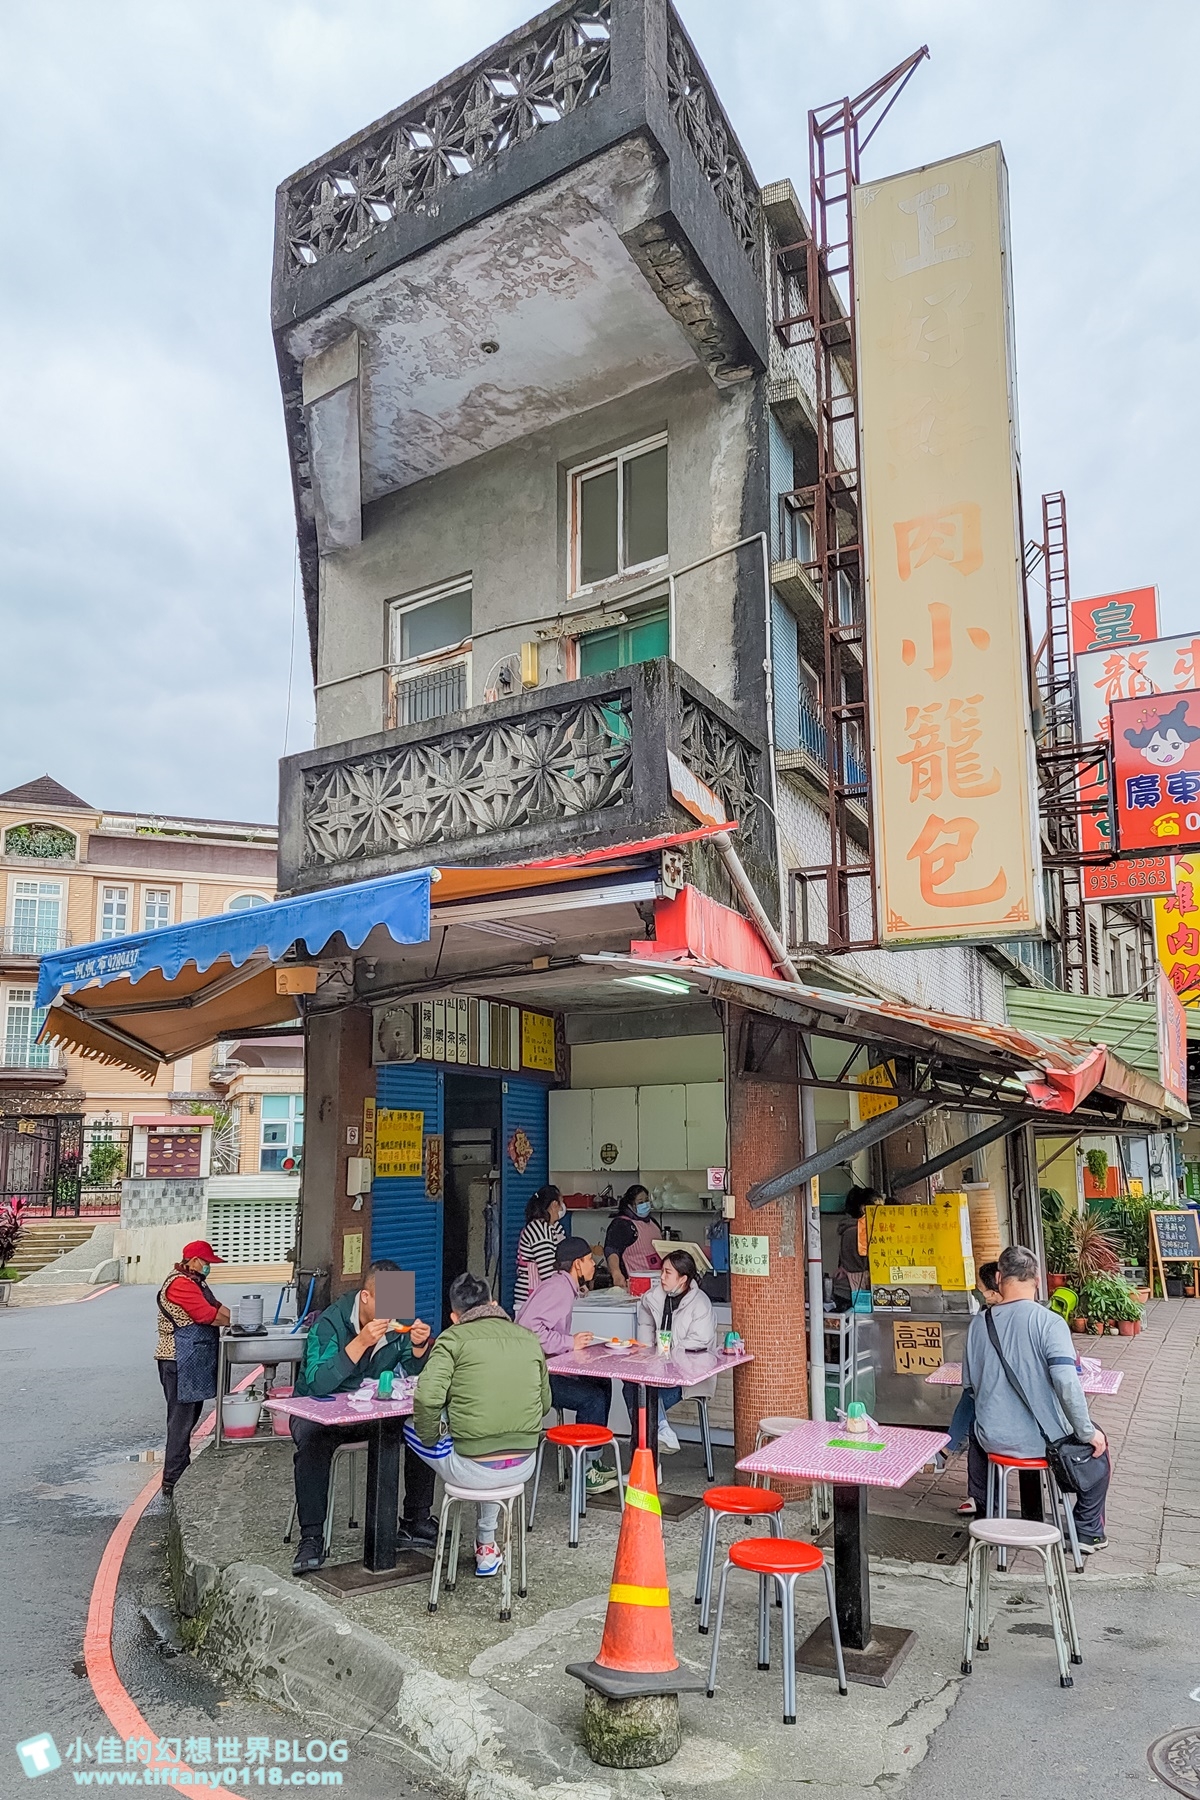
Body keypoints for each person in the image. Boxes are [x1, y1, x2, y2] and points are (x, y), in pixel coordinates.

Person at [289, 1259, 435, 1575]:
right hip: (321, 1412)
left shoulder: (397, 1323)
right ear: (365, 1297)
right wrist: (362, 1342)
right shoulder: (330, 1322)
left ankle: (415, 1519)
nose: (393, 1314)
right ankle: (311, 1537)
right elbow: (318, 1383)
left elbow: (412, 1369)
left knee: (421, 1425)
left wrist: (419, 1347)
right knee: (312, 1442)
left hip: (371, 1411)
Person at [962, 1243, 1110, 1552]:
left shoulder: (978, 1324)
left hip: (991, 1440)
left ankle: (989, 1516)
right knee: (1098, 1447)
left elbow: (971, 1387)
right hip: (1042, 1443)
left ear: (999, 1278)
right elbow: (1066, 1383)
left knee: (975, 1432)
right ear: (1038, 1280)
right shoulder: (1049, 1322)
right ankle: (1086, 1530)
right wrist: (1087, 1432)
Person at [407, 1271, 551, 1577]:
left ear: (454, 1317)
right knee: (492, 1439)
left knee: (409, 1427)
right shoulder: (528, 1339)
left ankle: (412, 1520)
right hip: (523, 1464)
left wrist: (433, 1437)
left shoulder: (451, 1339)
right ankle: (486, 1546)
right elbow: (545, 1403)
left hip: (472, 1469)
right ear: (494, 1304)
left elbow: (427, 1399)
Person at [516, 1235, 617, 1496]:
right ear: (577, 1264)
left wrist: (568, 1343)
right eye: (589, 1260)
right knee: (592, 1398)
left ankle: (593, 1458)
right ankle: (585, 1470)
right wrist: (569, 1342)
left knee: (602, 1382)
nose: (593, 1264)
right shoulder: (559, 1288)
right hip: (535, 1377)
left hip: (547, 1368)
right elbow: (528, 1330)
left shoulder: (562, 1285)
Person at [155, 1239, 231, 1500]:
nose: (209, 1266)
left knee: (189, 1416)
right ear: (194, 1261)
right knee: (180, 1420)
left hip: (190, 1358)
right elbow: (207, 1315)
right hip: (177, 1359)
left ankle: (180, 1471)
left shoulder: (197, 1282)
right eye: (206, 1262)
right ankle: (173, 1478)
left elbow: (217, 1308)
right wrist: (232, 1320)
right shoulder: (180, 1284)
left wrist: (236, 1318)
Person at [622, 1249, 716, 1455]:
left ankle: (647, 1455)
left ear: (683, 1279)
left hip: (688, 1377)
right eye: (662, 1271)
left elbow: (699, 1343)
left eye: (668, 1273)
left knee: (644, 1397)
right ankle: (661, 1431)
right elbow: (645, 1341)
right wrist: (647, 1359)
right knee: (632, 1386)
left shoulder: (700, 1304)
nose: (662, 1277)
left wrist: (667, 1357)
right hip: (656, 1373)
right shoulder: (652, 1299)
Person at [950, 1260, 1003, 1515]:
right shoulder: (1043, 1319)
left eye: (980, 1288)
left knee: (977, 1421)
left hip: (1005, 1425)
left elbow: (969, 1381)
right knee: (976, 1406)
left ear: (994, 1290)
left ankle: (982, 1499)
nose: (978, 1293)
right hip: (1033, 1425)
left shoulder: (982, 1323)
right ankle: (949, 1446)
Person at [513, 1185, 567, 1310]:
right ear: (554, 1205)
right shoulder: (538, 1229)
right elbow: (548, 1271)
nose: (563, 1207)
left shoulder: (554, 1228)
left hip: (545, 1296)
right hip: (532, 1298)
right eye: (561, 1202)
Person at [831, 1187, 880, 1311]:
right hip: (853, 1292)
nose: (884, 1213)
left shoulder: (849, 1230)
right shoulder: (859, 1232)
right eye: (879, 1208)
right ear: (864, 1209)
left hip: (844, 1289)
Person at [604, 1185, 662, 1289]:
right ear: (630, 1205)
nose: (645, 1204)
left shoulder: (652, 1222)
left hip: (656, 1281)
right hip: (635, 1283)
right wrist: (616, 1273)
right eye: (640, 1202)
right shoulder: (622, 1224)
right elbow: (612, 1250)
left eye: (646, 1200)